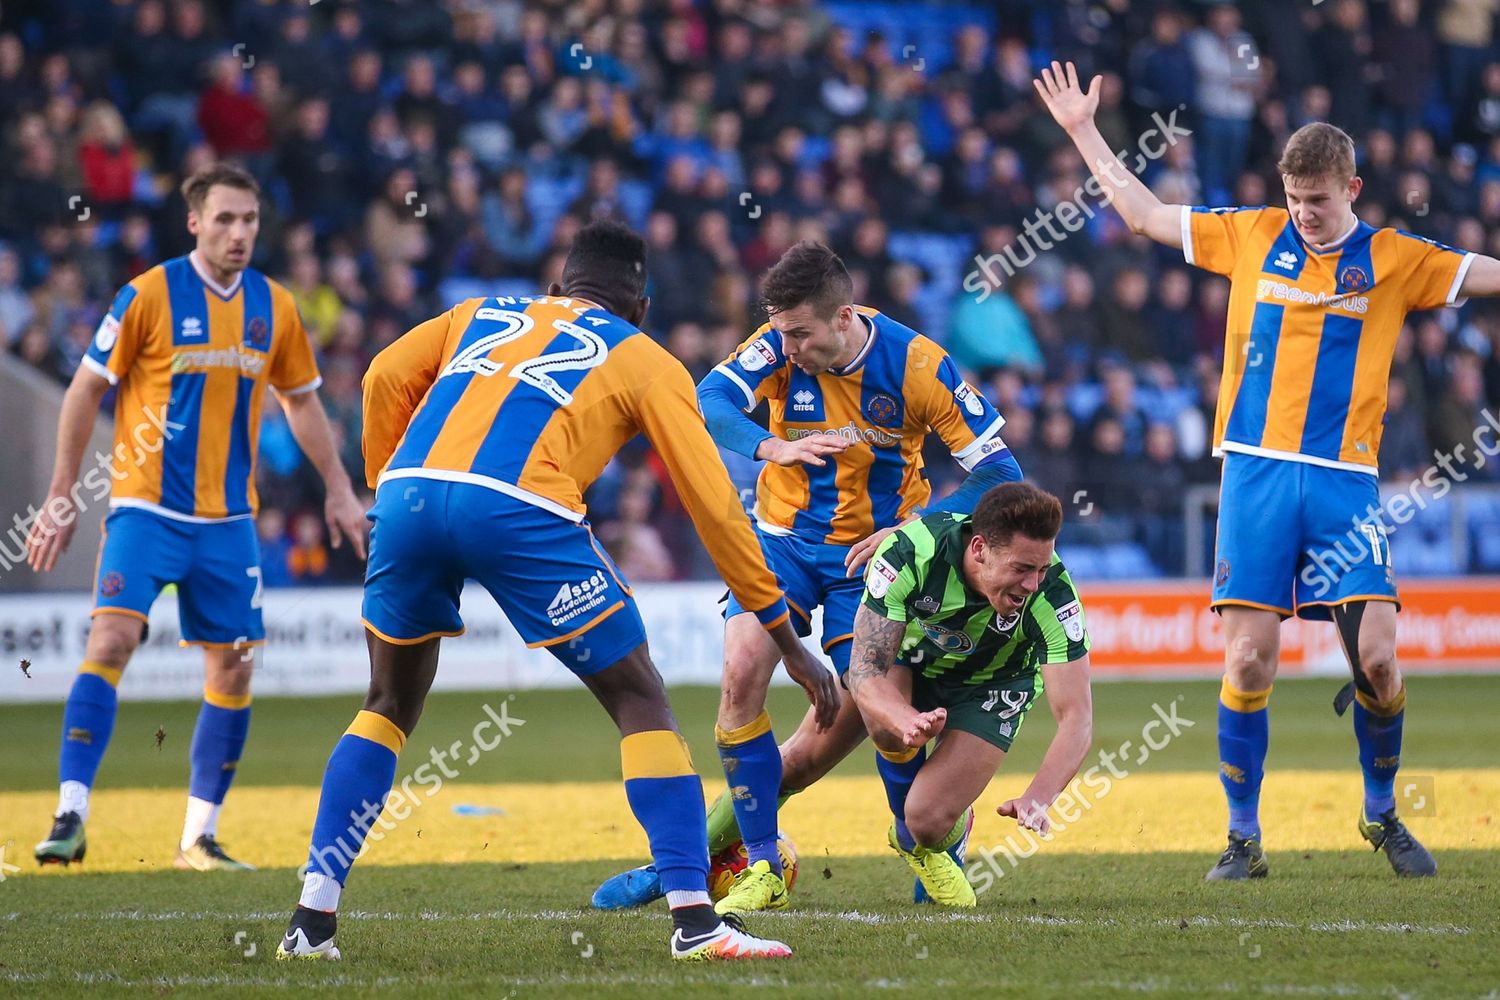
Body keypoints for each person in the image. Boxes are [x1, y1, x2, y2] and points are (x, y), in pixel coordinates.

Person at [276, 220, 834, 963]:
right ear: (640, 306)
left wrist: (386, 483)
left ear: (554, 288)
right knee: (640, 698)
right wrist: (784, 635)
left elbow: (381, 376)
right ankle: (697, 925)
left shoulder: (479, 314)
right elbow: (714, 505)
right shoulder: (645, 356)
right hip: (519, 506)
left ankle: (311, 922)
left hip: (410, 497)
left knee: (386, 705)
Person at [1035, 61, 1500, 879]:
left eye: (1318, 202)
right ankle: (1242, 838)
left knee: (1380, 662)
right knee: (1248, 660)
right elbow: (1143, 216)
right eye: (1294, 200)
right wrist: (1082, 130)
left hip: (1345, 481)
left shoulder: (1397, 258)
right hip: (1254, 474)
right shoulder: (1251, 234)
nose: (1304, 215)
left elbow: (1489, 275)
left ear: (1351, 187)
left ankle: (1382, 810)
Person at [593, 240, 1024, 914]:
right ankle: (759, 863)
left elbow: (1001, 474)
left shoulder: (918, 366)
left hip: (877, 563)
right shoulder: (775, 344)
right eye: (779, 329)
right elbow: (708, 398)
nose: (785, 346)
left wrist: (913, 532)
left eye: (799, 332)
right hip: (782, 546)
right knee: (740, 675)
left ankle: (927, 841)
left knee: (883, 718)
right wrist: (773, 446)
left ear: (844, 316)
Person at [28, 164, 366, 872]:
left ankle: (198, 838)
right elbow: (87, 387)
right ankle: (70, 814)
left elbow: (303, 402)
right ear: (194, 223)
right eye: (224, 219)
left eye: (249, 220)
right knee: (114, 639)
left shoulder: (274, 306)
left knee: (236, 667)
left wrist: (338, 487)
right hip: (145, 508)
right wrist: (63, 490)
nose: (239, 232)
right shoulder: (147, 294)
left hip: (226, 520)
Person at [848, 482, 1093, 905]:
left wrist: (1039, 797)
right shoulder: (911, 553)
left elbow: (1077, 717)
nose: (1033, 582)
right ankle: (741, 854)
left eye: (1041, 568)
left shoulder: (1054, 595)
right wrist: (903, 717)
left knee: (926, 820)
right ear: (979, 549)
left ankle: (935, 831)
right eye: (1021, 569)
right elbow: (865, 671)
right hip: (915, 664)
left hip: (995, 685)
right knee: (872, 732)